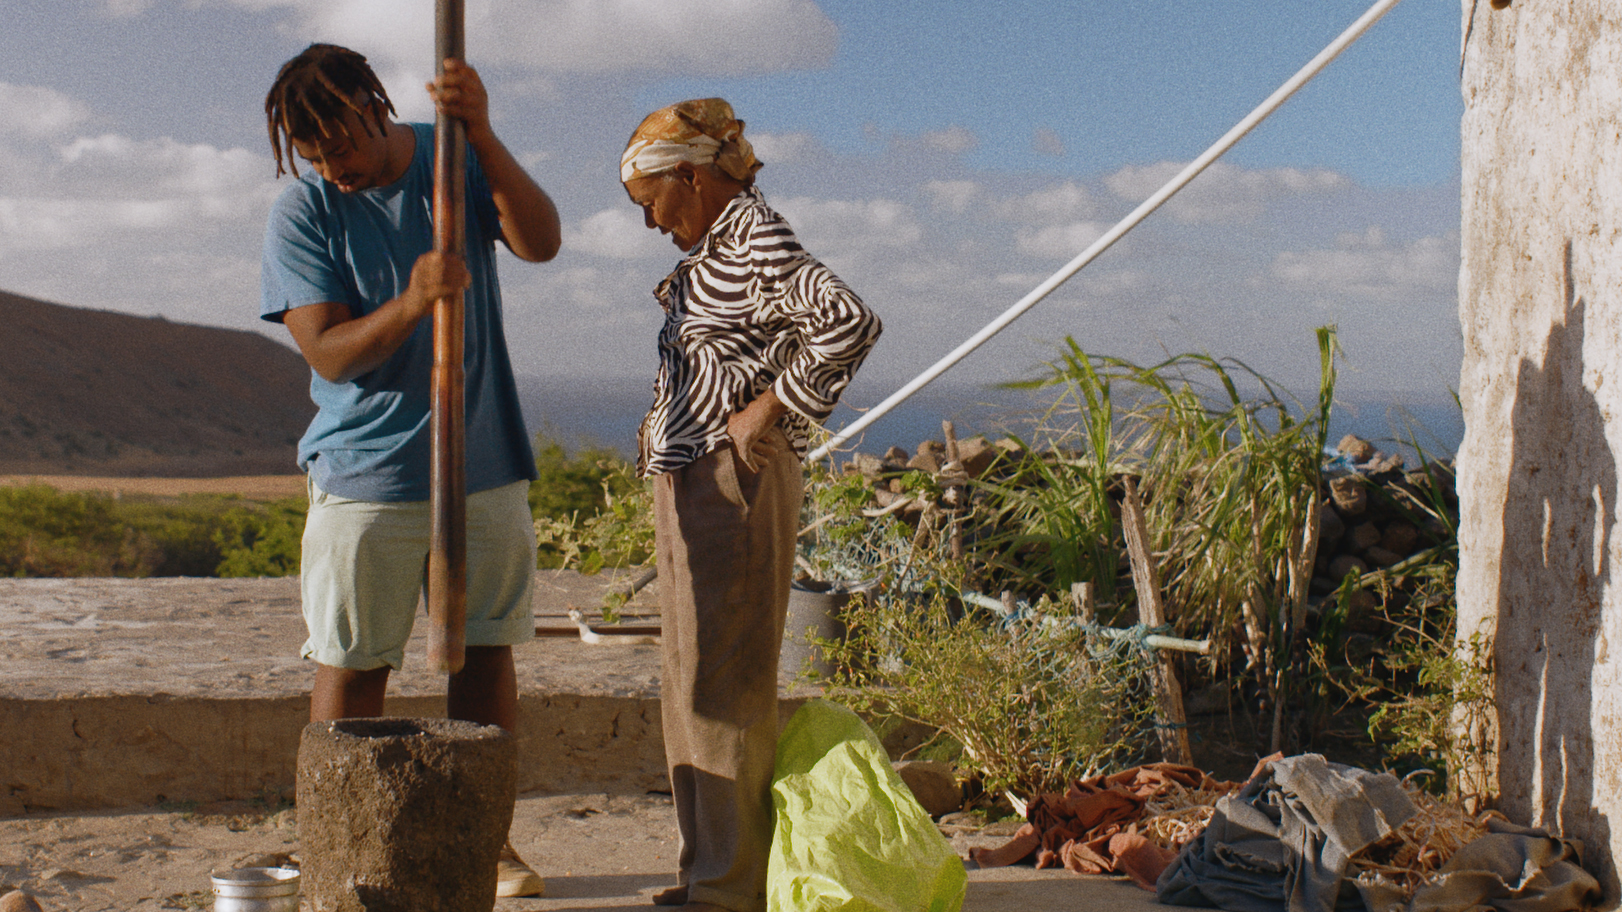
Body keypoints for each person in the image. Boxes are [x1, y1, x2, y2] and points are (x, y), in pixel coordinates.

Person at [260, 43, 559, 898]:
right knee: (354, 663)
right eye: (313, 156)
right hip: (368, 471)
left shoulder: (452, 155)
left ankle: (486, 844)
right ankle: (338, 846)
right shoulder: (305, 209)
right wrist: (414, 300)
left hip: (484, 459)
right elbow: (329, 351)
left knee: (485, 655)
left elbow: (540, 241)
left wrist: (483, 133)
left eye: (340, 146)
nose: (334, 168)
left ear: (373, 105)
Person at [620, 99, 883, 912]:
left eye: (651, 201)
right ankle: (709, 872)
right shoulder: (717, 245)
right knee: (691, 679)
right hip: (694, 479)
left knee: (726, 682)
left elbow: (849, 321)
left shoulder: (754, 236)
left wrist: (769, 409)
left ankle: (728, 889)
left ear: (690, 176)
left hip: (733, 482)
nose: (650, 222)